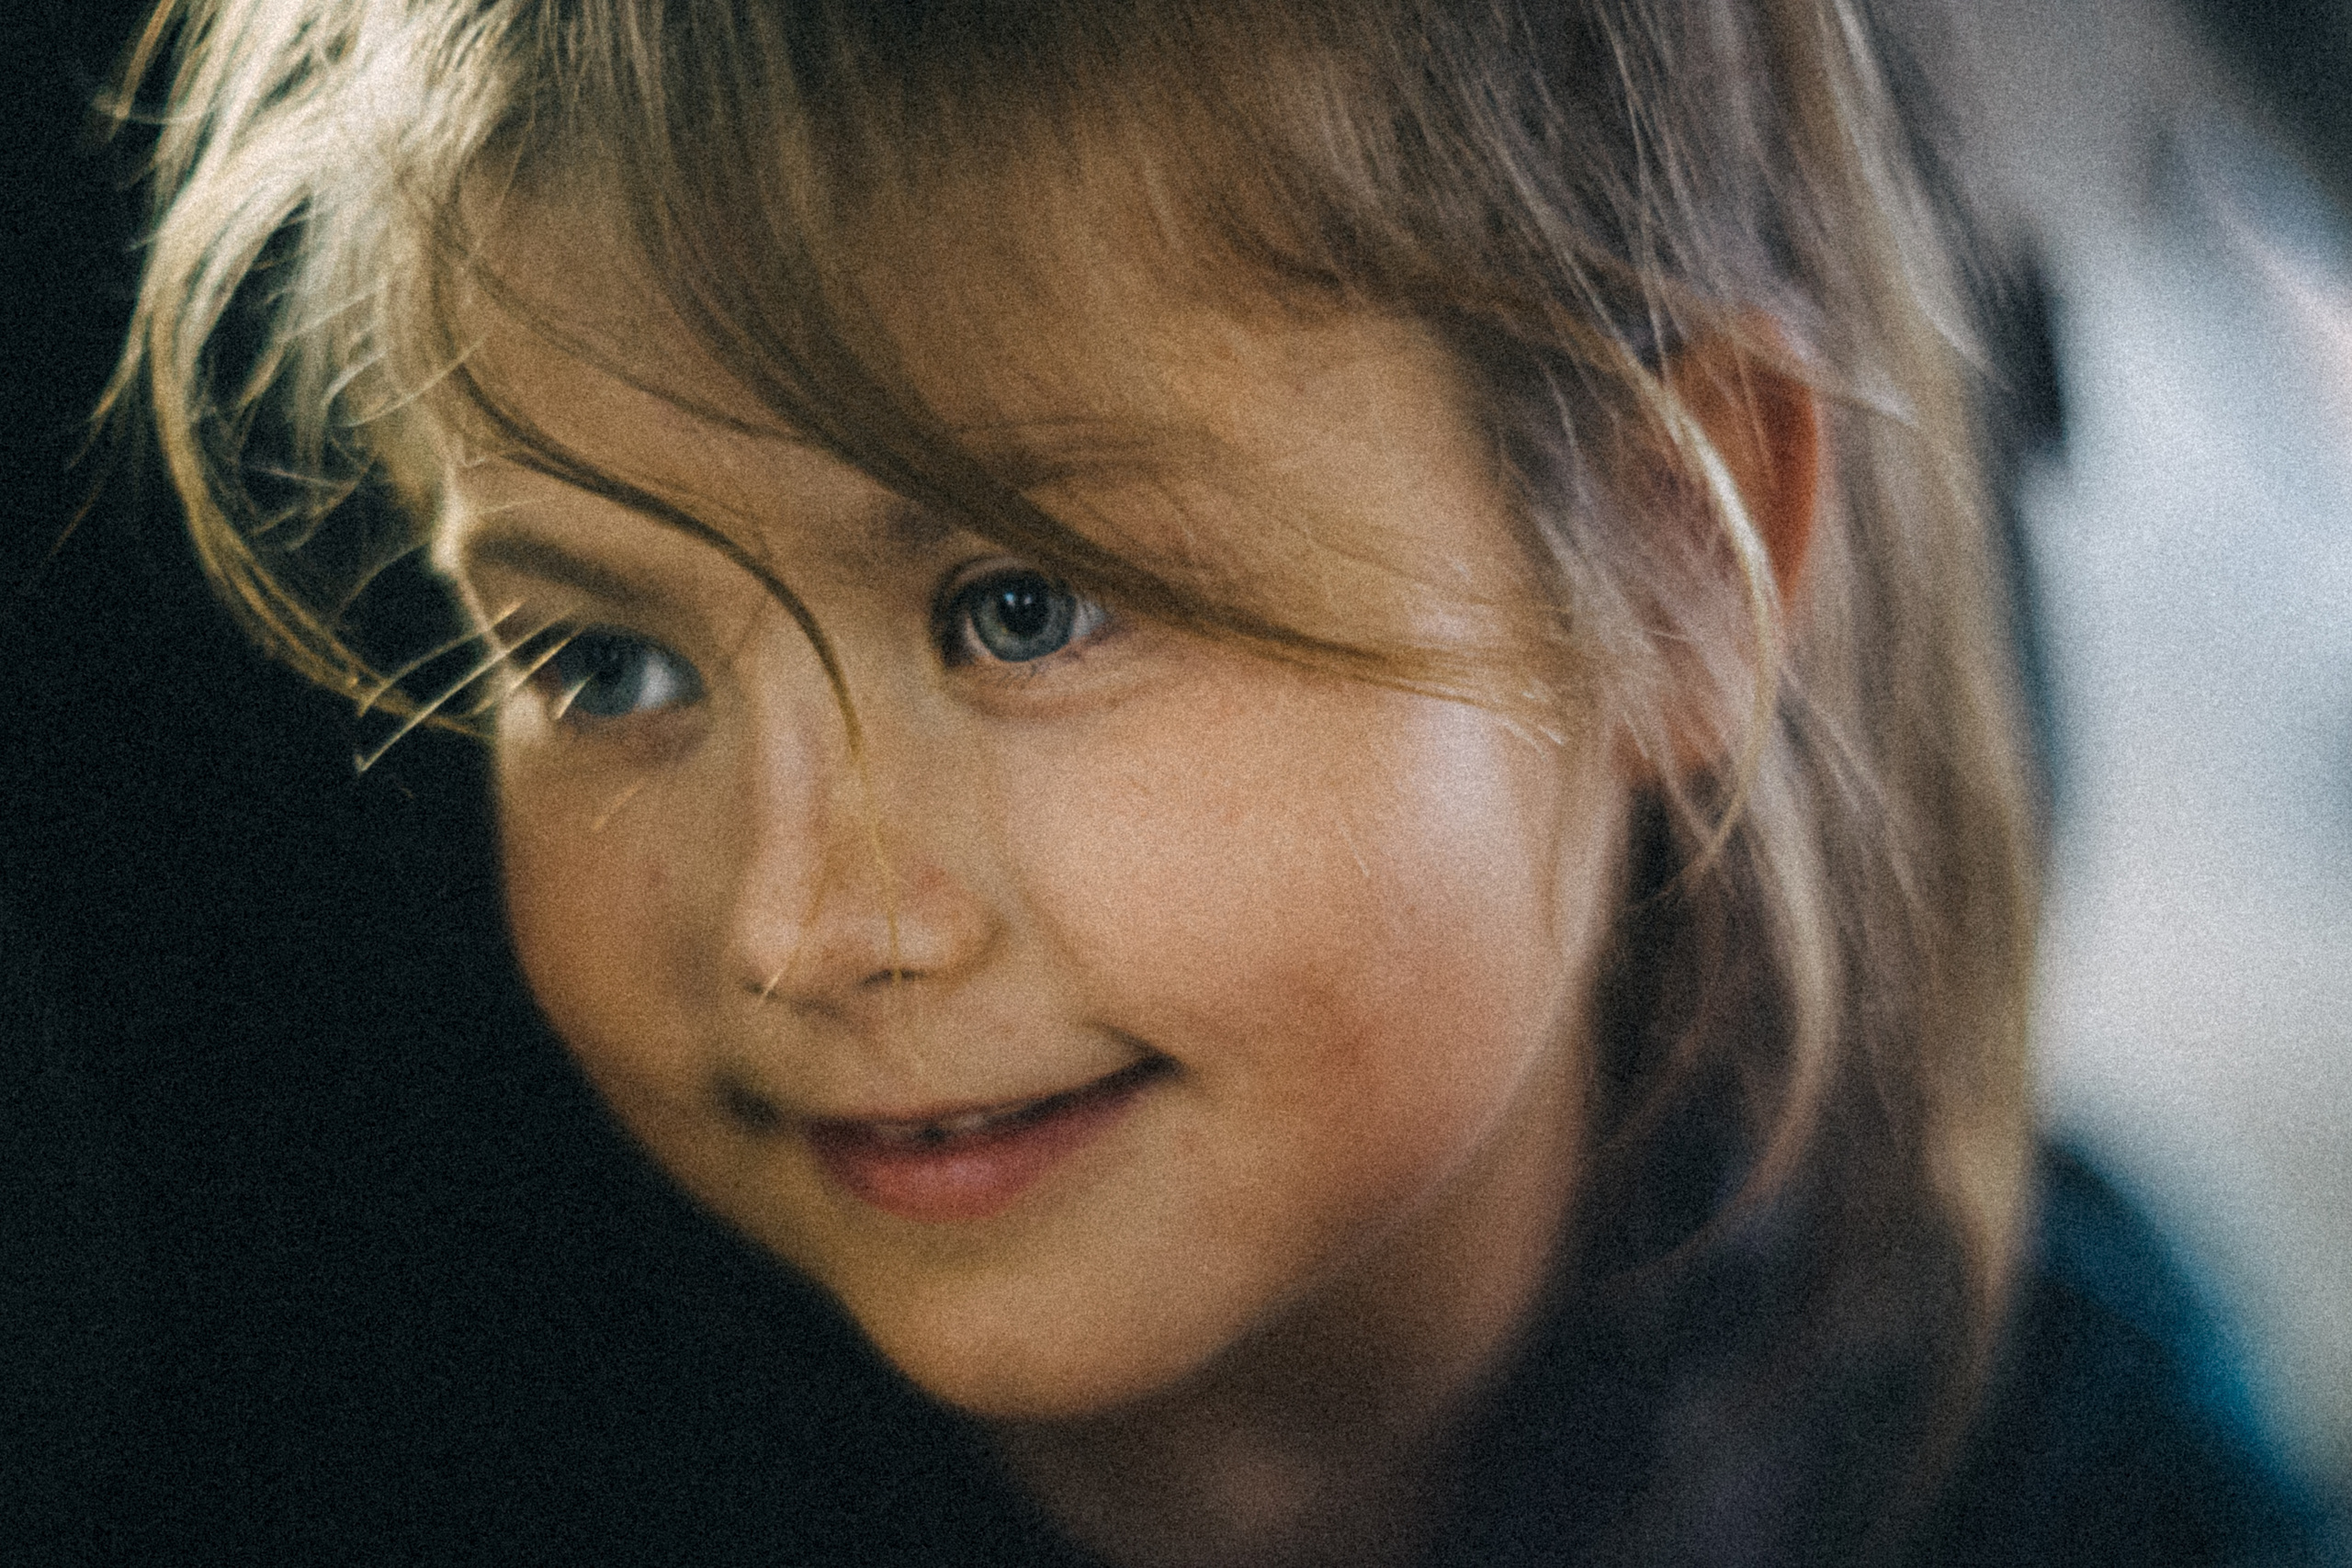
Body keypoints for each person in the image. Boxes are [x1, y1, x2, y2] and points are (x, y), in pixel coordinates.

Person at [96, 1, 2339, 1562]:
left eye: (1020, 612)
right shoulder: (416, 1427)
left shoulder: (2060, 1481)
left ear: (1672, 561)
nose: (797, 920)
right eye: (604, 660)